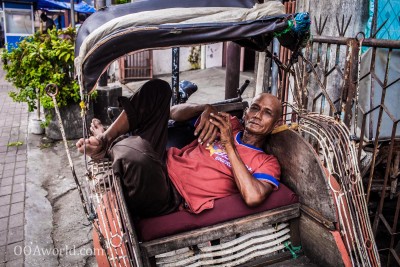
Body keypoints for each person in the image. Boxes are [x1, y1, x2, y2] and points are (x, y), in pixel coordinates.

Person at [76, 79, 282, 217]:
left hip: (169, 193)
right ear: (245, 113)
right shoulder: (229, 123)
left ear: (276, 123)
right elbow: (173, 113)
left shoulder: (266, 162)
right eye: (255, 108)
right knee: (158, 89)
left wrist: (228, 144)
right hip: (161, 160)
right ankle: (105, 140)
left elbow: (253, 196)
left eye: (267, 113)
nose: (257, 115)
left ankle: (113, 146)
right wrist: (205, 109)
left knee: (134, 150)